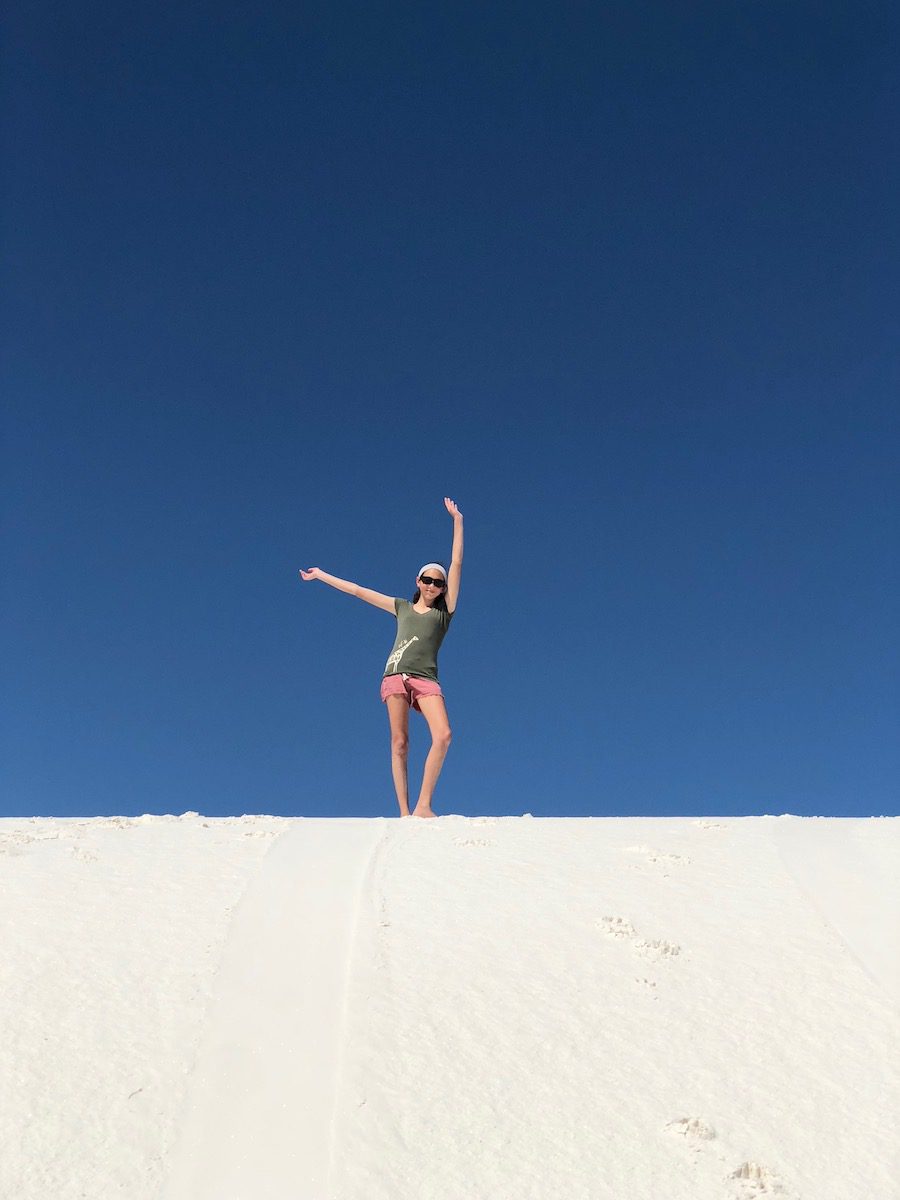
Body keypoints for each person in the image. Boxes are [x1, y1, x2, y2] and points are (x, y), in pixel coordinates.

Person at [299, 497, 463, 817]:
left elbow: (456, 563)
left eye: (438, 582)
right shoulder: (401, 607)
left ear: (443, 589)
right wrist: (321, 575)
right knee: (400, 743)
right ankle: (404, 812)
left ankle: (423, 805)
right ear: (418, 582)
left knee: (443, 735)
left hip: (426, 678)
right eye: (427, 580)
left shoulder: (445, 613)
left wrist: (457, 520)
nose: (433, 585)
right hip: (395, 676)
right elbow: (359, 591)